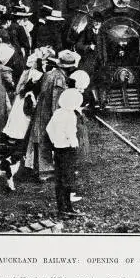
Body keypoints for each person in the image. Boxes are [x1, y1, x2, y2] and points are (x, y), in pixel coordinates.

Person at [27, 49, 80, 180]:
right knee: (45, 140)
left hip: (41, 110)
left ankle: (39, 169)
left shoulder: (49, 74)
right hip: (48, 114)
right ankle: (45, 171)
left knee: (40, 139)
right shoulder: (59, 79)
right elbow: (56, 101)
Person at [45, 88, 85, 217]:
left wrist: (55, 142)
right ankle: (68, 208)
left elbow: (49, 128)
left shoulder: (58, 112)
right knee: (68, 178)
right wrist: (74, 144)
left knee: (59, 179)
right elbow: (70, 133)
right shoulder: (70, 115)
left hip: (57, 149)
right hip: (67, 150)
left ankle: (61, 208)